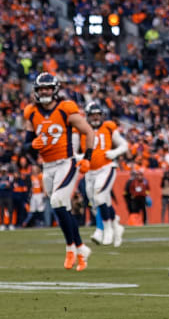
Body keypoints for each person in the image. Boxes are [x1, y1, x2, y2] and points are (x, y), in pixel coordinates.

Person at [22, 73, 94, 270]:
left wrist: (87, 158)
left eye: (47, 88)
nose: (44, 91)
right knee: (61, 208)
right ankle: (80, 249)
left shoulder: (65, 109)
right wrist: (32, 145)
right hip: (47, 166)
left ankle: (70, 248)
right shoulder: (31, 112)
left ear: (54, 89)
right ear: (36, 91)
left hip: (66, 163)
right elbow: (25, 146)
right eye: (41, 89)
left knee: (57, 202)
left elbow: (88, 131)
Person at [82, 101, 127, 247]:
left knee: (99, 196)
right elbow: (74, 149)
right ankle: (116, 225)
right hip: (89, 172)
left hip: (106, 168)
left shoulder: (108, 127)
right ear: (87, 116)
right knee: (98, 203)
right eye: (92, 115)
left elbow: (124, 145)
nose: (95, 118)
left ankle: (106, 229)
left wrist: (114, 152)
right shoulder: (82, 130)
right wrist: (78, 158)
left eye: (97, 115)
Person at [0, 165, 13, 230]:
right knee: (1, 211)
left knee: (10, 210)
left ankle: (10, 224)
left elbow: (10, 186)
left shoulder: (9, 177)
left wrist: (5, 185)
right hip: (1, 196)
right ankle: (2, 224)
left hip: (8, 196)